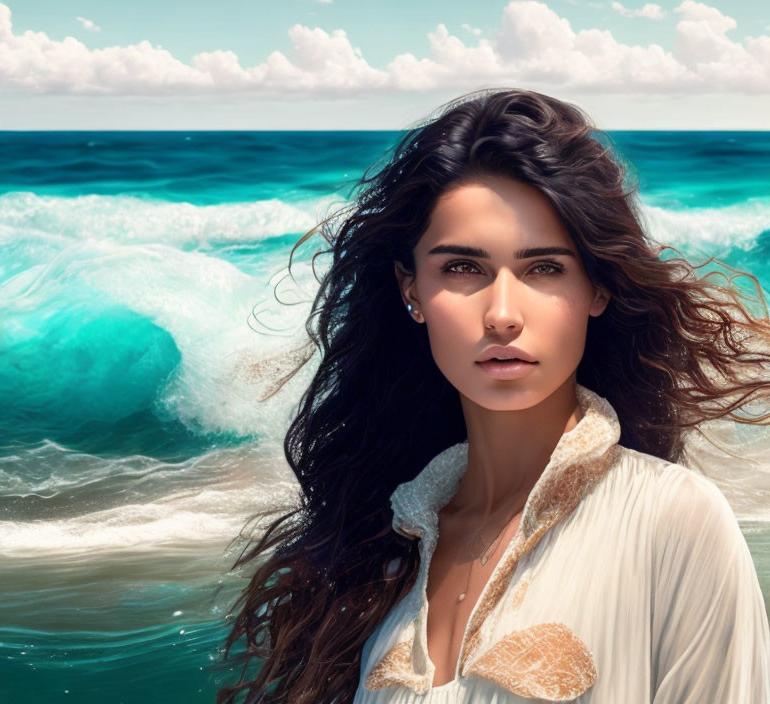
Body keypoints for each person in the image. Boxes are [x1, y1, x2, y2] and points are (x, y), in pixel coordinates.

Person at [212, 87, 770, 703]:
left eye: (544, 269)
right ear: (412, 291)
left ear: (598, 288)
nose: (503, 314)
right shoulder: (383, 555)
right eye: (462, 268)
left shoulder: (675, 522)